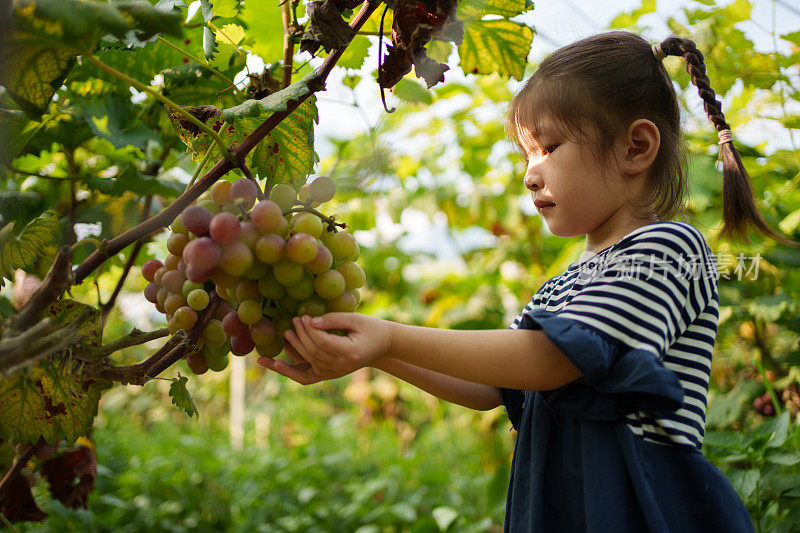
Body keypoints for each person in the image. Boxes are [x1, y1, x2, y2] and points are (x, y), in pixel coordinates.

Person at [258, 31, 794, 531]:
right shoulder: (568, 282)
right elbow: (494, 387)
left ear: (636, 147)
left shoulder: (668, 250)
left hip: (634, 509)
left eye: (549, 148)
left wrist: (392, 336)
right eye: (526, 154)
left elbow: (552, 361)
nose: (529, 173)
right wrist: (371, 352)